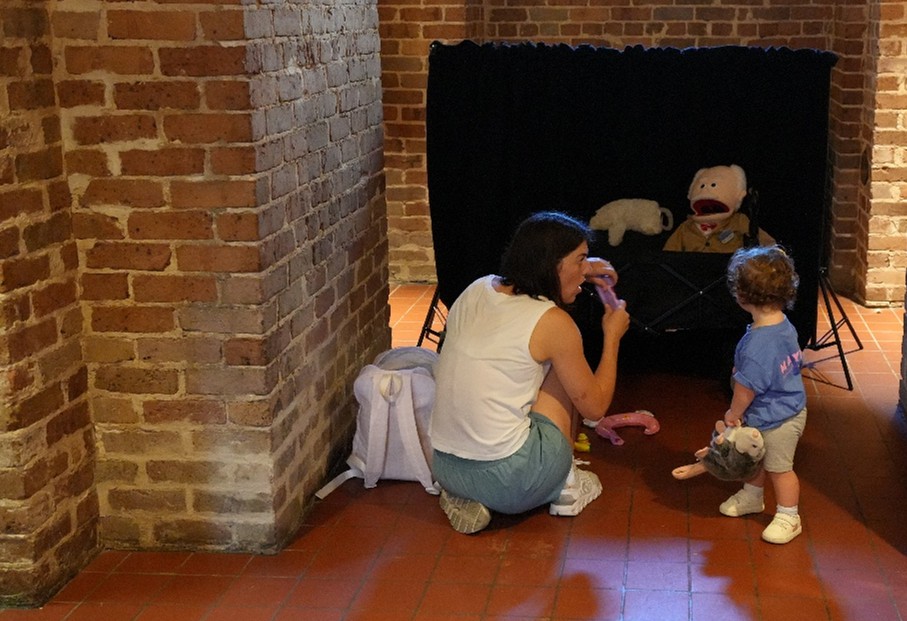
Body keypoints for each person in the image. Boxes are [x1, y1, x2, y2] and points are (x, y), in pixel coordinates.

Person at [429, 211, 631, 534]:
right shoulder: (552, 322)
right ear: (553, 264)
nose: (584, 272)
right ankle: (566, 486)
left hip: (445, 466)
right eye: (579, 261)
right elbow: (594, 407)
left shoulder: (477, 288)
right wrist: (612, 338)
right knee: (563, 366)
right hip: (513, 483)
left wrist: (588, 267)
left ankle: (467, 495)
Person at [719, 244, 807, 544]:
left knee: (778, 468)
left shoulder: (758, 346)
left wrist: (734, 414)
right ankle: (753, 497)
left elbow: (745, 390)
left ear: (742, 296)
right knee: (753, 460)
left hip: (778, 418)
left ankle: (788, 516)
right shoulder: (782, 324)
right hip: (784, 407)